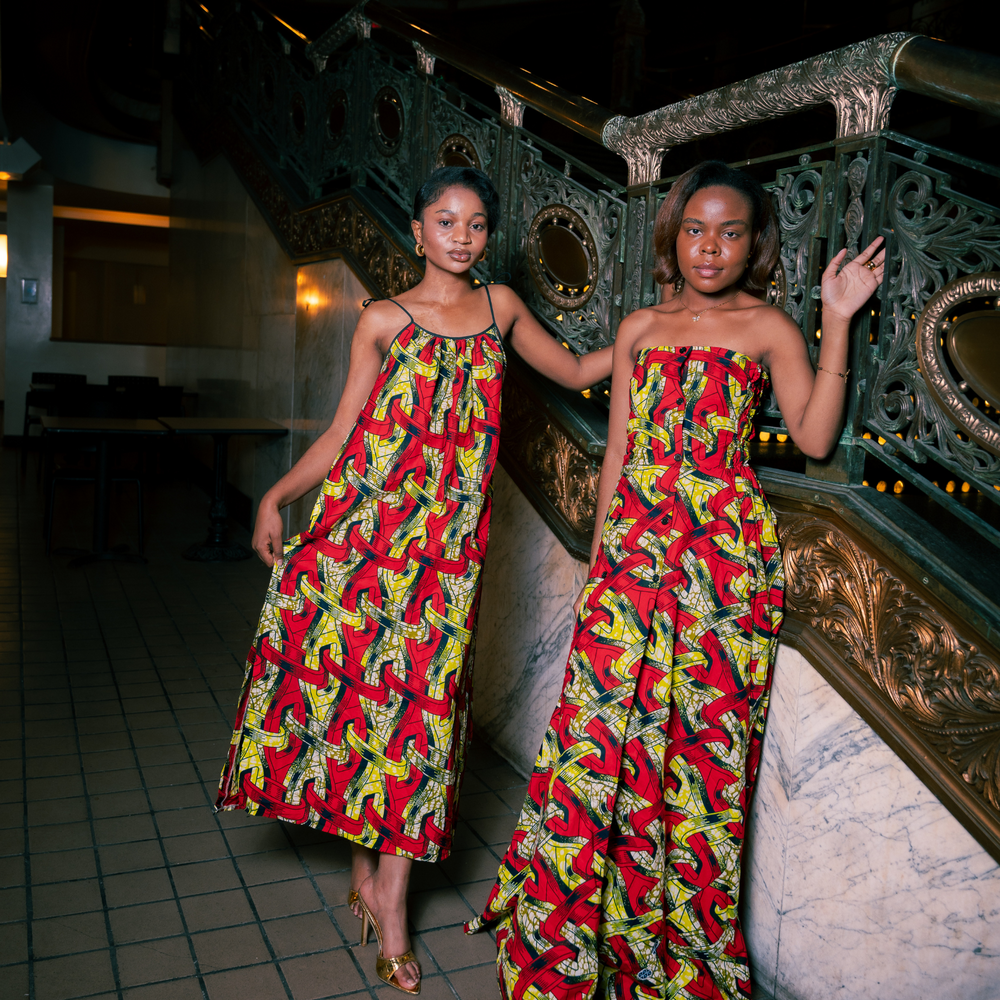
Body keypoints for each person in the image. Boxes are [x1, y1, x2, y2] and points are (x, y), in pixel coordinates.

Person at [466, 159, 885, 1000]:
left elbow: (811, 436)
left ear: (752, 243)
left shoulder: (769, 329)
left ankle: (671, 945)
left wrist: (835, 321)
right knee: (596, 750)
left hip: (723, 570)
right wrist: (598, 561)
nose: (710, 247)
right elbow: (620, 453)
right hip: (632, 563)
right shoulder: (639, 328)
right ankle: (570, 930)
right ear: (674, 235)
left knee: (701, 760)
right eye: (695, 229)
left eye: (730, 232)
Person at [215, 166, 613, 995]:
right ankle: (378, 886)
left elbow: (577, 374)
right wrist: (275, 496)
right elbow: (341, 433)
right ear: (418, 227)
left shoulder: (501, 307)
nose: (461, 236)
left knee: (422, 721)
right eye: (445, 220)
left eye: (475, 223)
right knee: (369, 707)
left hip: (446, 561)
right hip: (363, 544)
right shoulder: (382, 320)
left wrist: (660, 326)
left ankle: (388, 892)